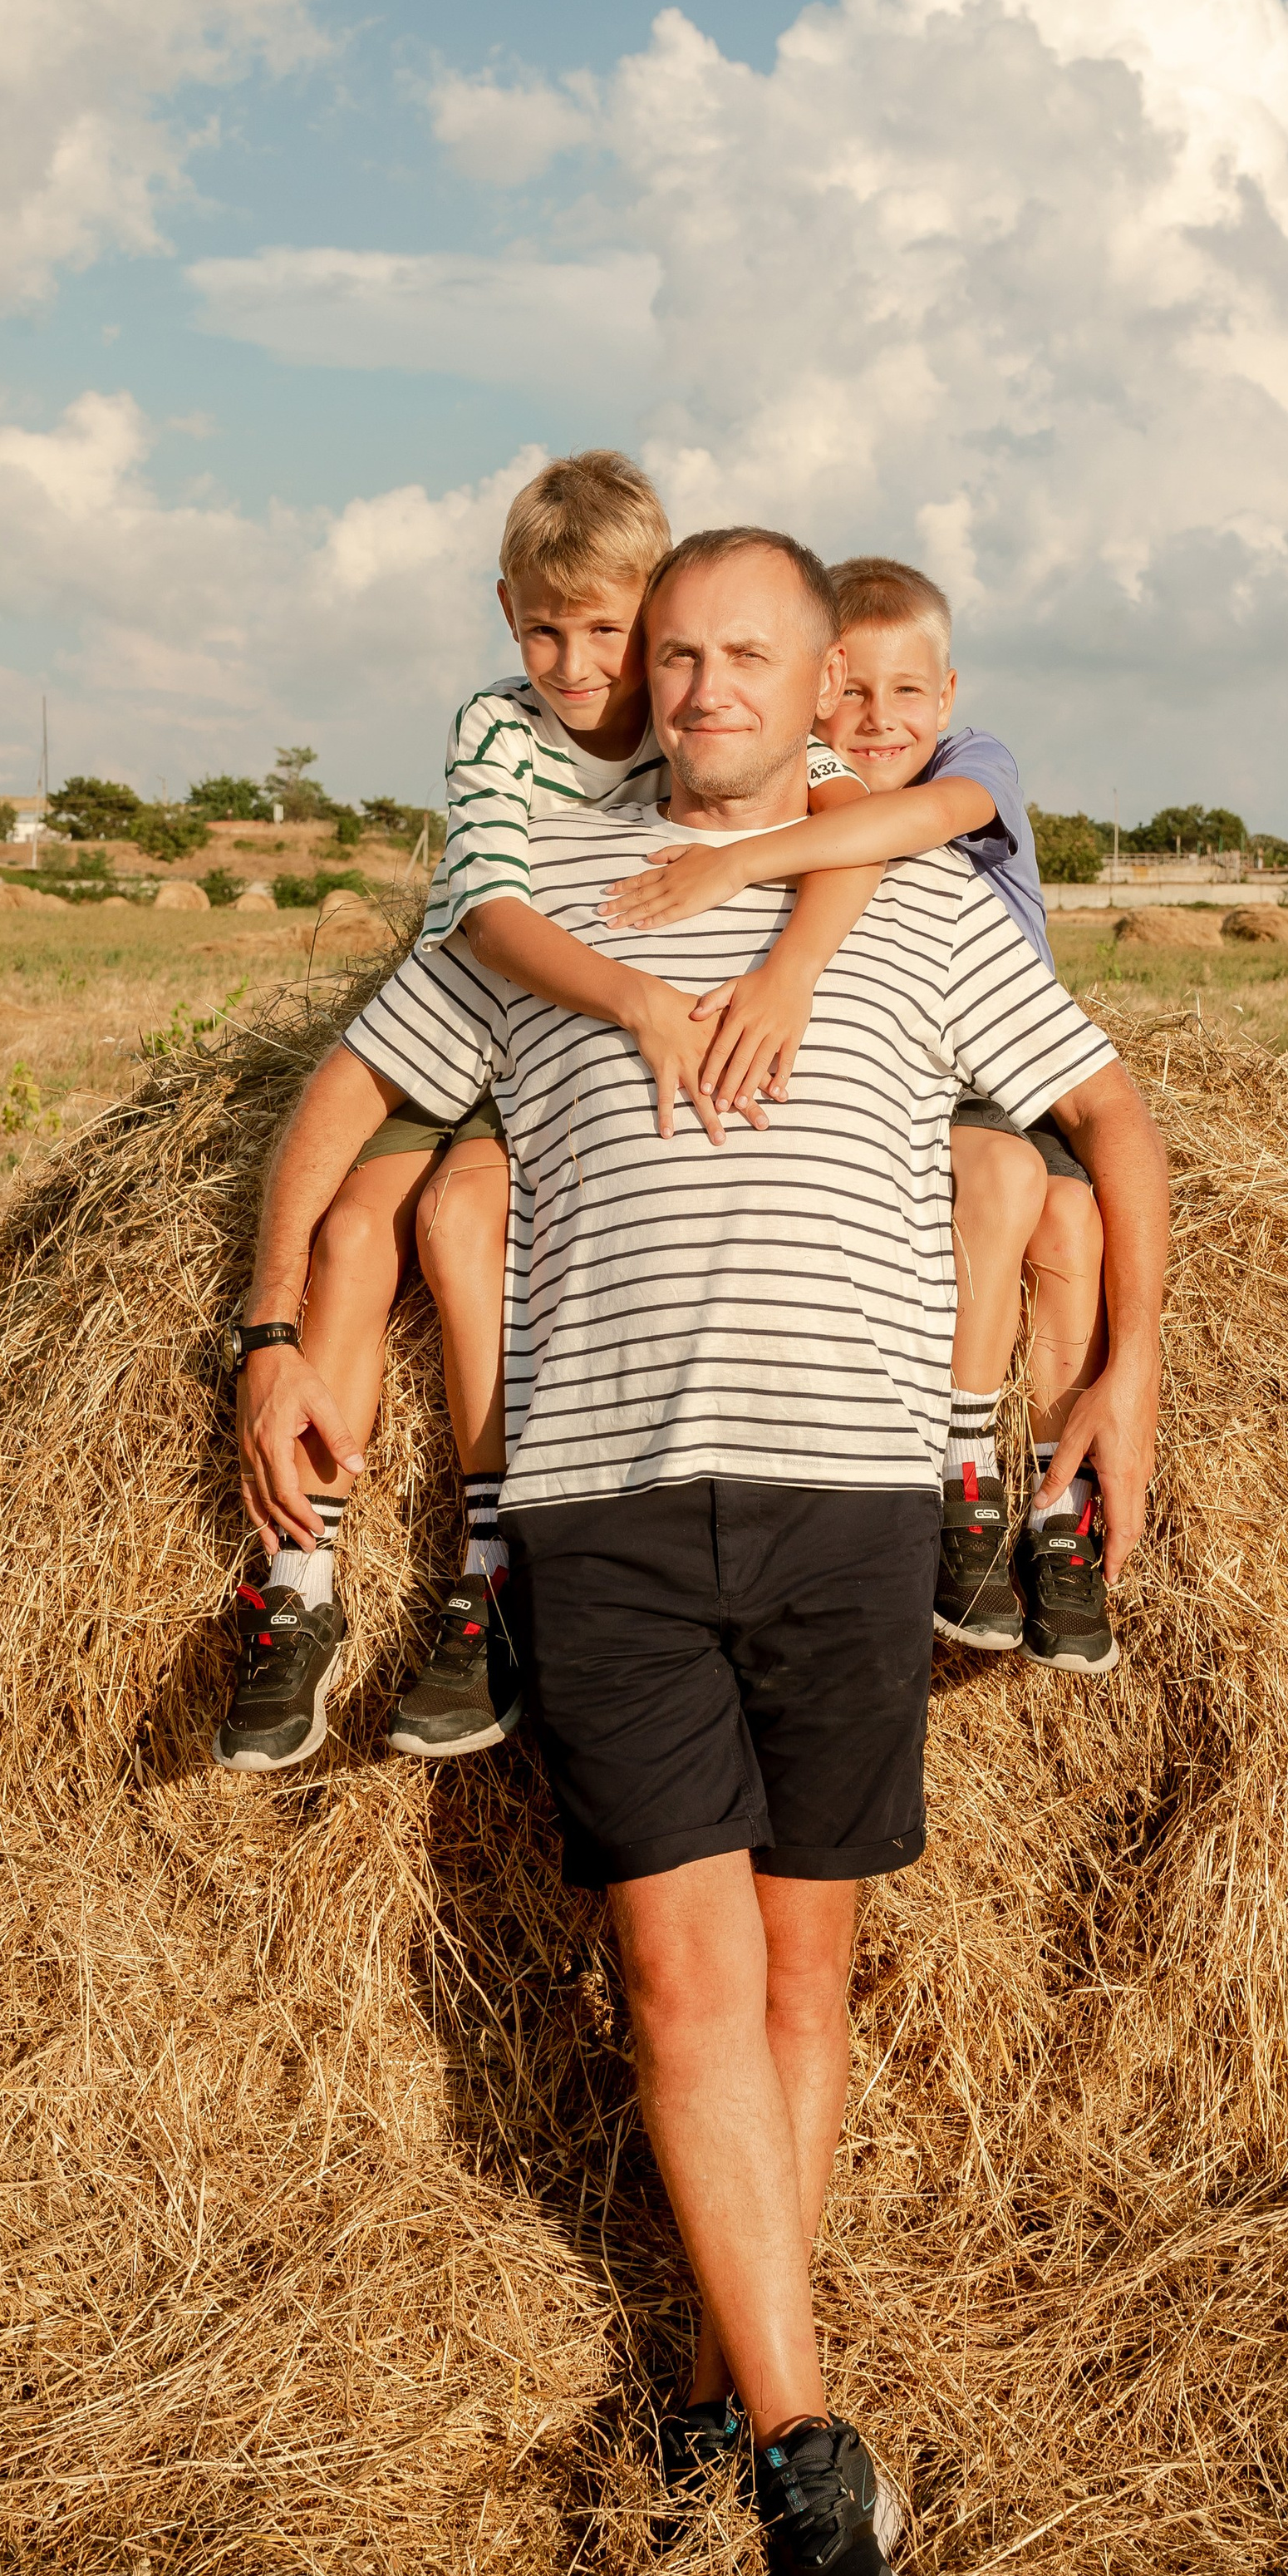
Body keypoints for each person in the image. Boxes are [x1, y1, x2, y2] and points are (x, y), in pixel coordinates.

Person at [228, 528, 1169, 2576]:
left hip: (850, 1507)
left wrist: (1128, 1362)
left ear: (823, 674)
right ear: (637, 674)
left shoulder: (912, 897)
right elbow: (349, 1091)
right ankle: (809, 2442)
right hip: (605, 1506)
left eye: (749, 654)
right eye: (674, 654)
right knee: (679, 1983)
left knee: (806, 1983)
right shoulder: (542, 895)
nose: (704, 685)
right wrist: (276, 1336)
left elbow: (1108, 1115)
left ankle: (738, 2389)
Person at [213, 449, 882, 1776]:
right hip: (493, 991)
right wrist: (637, 998)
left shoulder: (719, 724)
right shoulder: (500, 731)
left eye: (611, 633)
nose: (579, 667)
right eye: (544, 630)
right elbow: (490, 914)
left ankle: (490, 1559)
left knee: (468, 1216)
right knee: (357, 1234)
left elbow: (882, 816)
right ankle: (298, 1580)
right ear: (504, 613)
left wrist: (784, 942)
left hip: (545, 1066)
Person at [601, 553, 1108, 1667]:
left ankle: (1050, 1506)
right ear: (818, 682)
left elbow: (900, 827)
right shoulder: (803, 761)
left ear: (950, 693)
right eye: (853, 691)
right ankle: (963, 1475)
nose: (881, 718)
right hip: (921, 1078)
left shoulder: (972, 767)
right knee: (1008, 1190)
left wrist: (739, 868)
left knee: (1063, 1219)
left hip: (1003, 1064)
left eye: (909, 692)